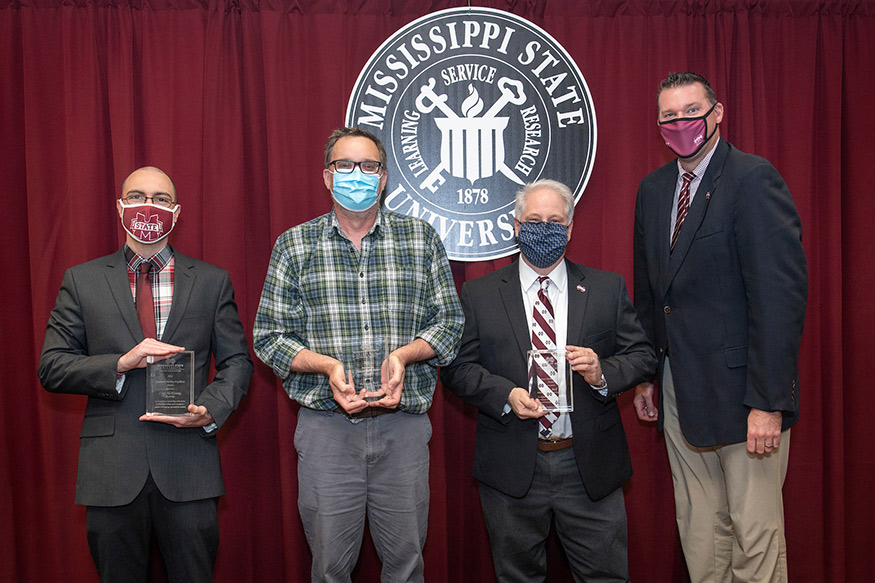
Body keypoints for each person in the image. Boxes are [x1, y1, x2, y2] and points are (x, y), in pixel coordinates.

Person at [252, 127, 464, 582]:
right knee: (329, 569)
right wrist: (326, 366)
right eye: (344, 166)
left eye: (368, 167)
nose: (357, 175)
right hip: (326, 432)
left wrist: (405, 356)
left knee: (406, 567)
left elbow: (450, 326)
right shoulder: (294, 245)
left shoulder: (420, 239)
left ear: (384, 177)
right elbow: (269, 336)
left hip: (403, 431)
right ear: (327, 178)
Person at [632, 72, 808, 583]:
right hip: (678, 389)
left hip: (744, 392)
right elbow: (650, 295)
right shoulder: (653, 189)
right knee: (700, 532)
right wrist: (647, 375)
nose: (681, 123)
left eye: (691, 111)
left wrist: (768, 401)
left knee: (755, 535)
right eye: (669, 116)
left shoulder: (752, 178)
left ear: (718, 113)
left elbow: (779, 298)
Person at [38, 166, 253, 582]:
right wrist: (120, 362)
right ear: (120, 208)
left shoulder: (212, 281)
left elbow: (237, 363)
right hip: (112, 470)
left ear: (176, 212)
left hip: (189, 465)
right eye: (137, 197)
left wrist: (208, 411)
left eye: (159, 199)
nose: (147, 207)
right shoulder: (82, 281)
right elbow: (52, 366)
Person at [440, 179, 656, 583]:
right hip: (512, 468)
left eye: (555, 221)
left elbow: (642, 356)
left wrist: (601, 373)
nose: (545, 228)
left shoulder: (606, 288)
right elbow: (456, 368)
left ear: (570, 228)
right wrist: (505, 394)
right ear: (517, 227)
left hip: (589, 464)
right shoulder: (479, 293)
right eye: (534, 220)